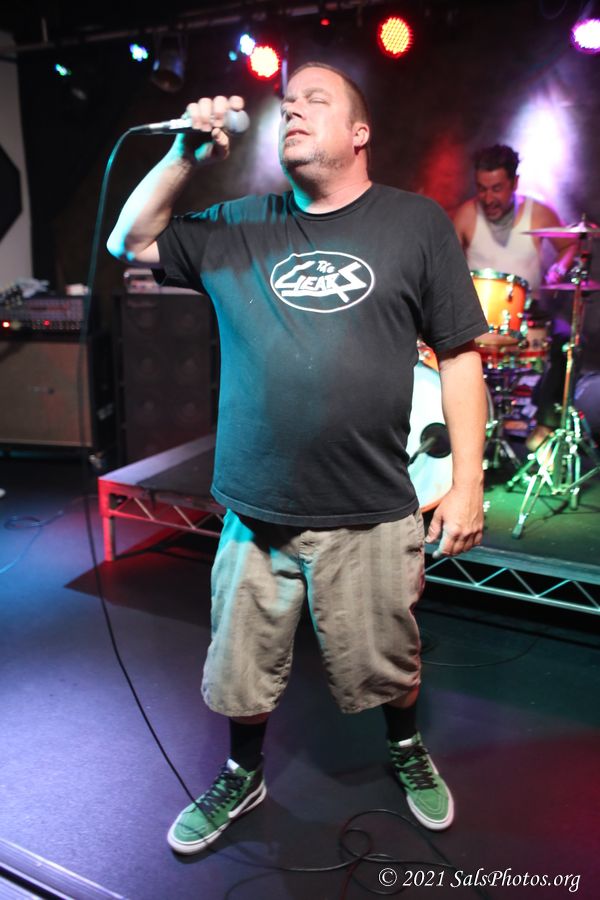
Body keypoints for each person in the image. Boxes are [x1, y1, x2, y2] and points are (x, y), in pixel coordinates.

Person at [107, 62, 489, 854]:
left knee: (390, 659)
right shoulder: (241, 223)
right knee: (240, 667)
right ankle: (243, 773)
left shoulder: (414, 223)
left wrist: (467, 483)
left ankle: (406, 747)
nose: (293, 111)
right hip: (256, 508)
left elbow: (459, 356)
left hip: (371, 505)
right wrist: (183, 151)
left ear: (360, 132)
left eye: (317, 100)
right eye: (287, 104)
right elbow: (128, 240)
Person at [453, 145, 577, 450]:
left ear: (514, 183)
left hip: (527, 315)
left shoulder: (539, 213)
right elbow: (445, 266)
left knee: (568, 343)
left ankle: (544, 428)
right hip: (475, 318)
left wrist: (560, 266)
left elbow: (570, 244)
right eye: (482, 189)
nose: (488, 198)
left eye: (497, 188)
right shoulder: (466, 215)